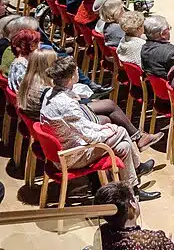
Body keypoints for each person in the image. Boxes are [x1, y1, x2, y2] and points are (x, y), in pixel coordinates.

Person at [41, 57, 159, 199]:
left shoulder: (50, 93)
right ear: (72, 77)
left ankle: (132, 191)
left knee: (124, 147)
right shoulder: (66, 103)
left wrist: (102, 128)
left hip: (67, 146)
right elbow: (88, 136)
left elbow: (82, 125)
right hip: (72, 155)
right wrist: (109, 131)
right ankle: (136, 174)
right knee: (121, 131)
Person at [140, 15, 174, 79]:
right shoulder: (173, 52)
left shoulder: (144, 48)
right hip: (169, 87)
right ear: (163, 34)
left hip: (154, 86)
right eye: (168, 28)